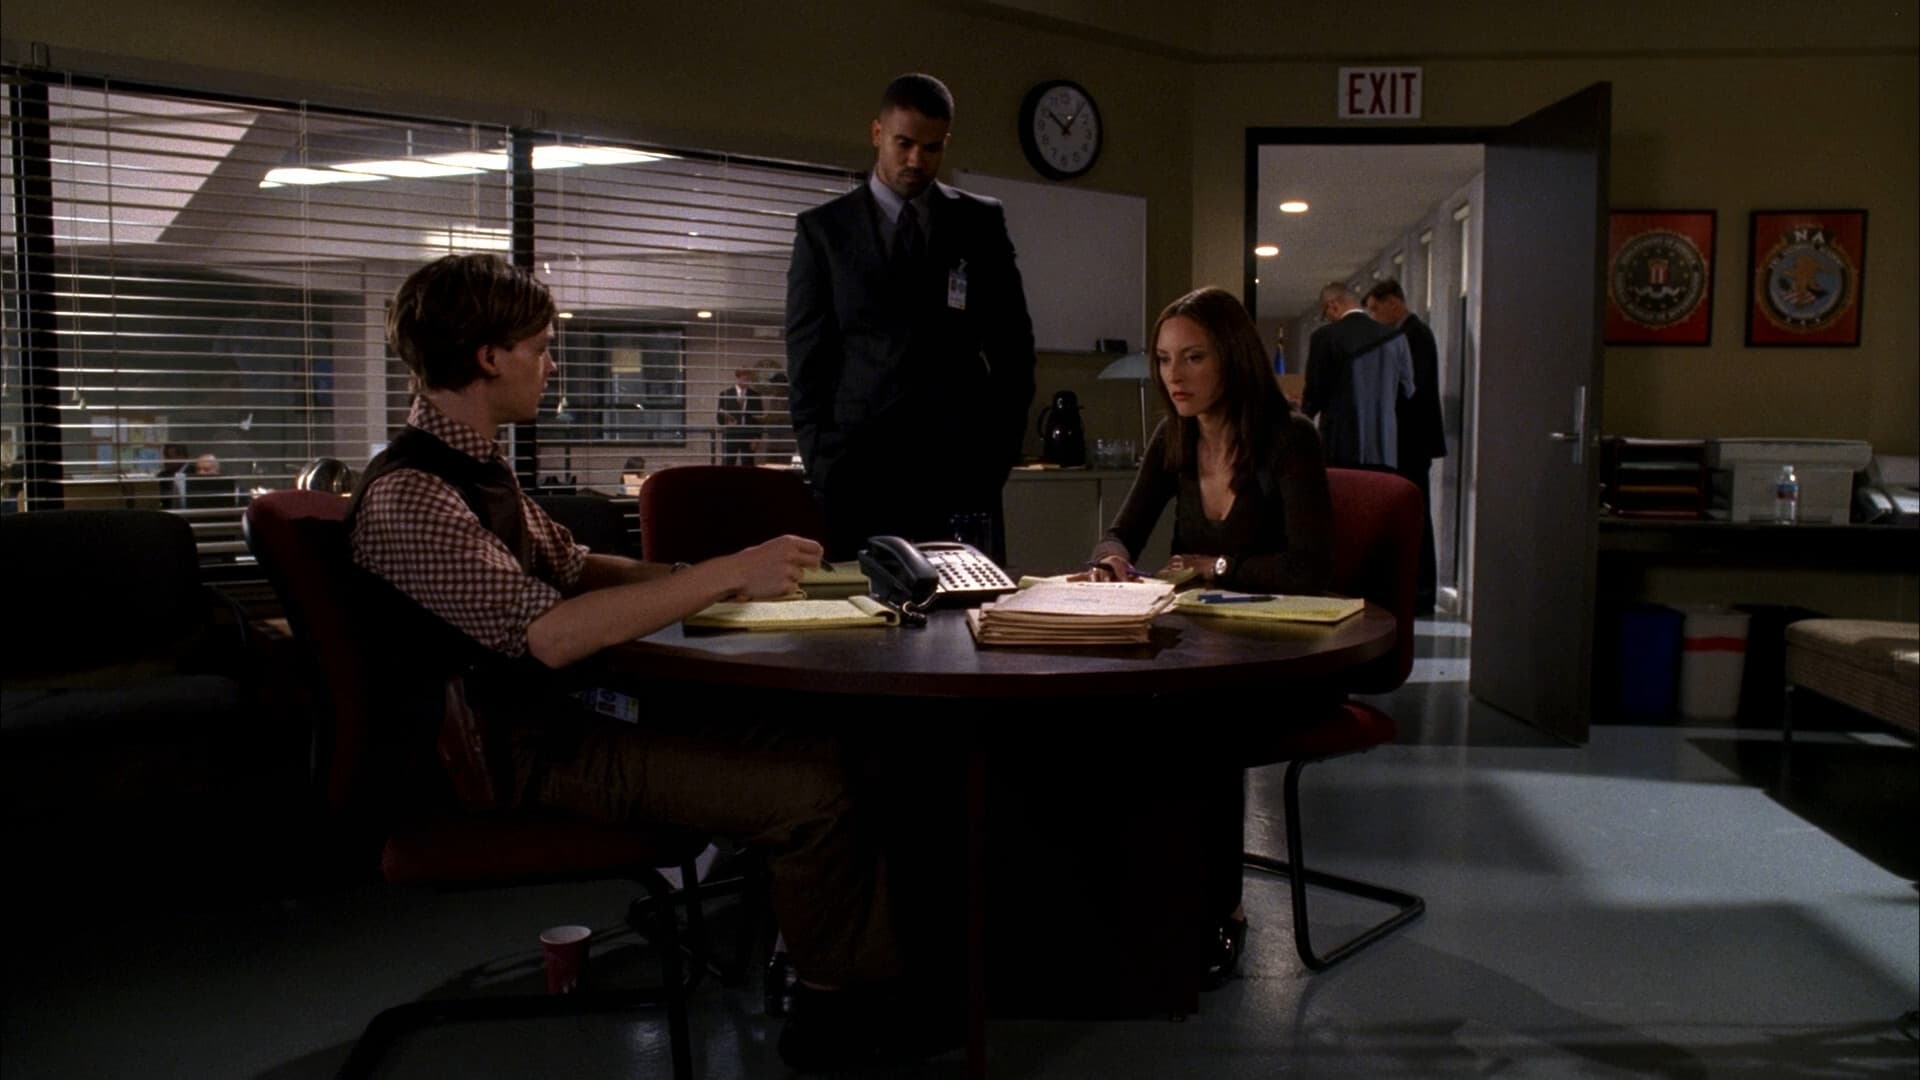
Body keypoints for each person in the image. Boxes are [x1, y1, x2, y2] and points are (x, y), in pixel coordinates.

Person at [352, 253, 905, 1072]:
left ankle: (850, 964)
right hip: (518, 750)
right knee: (813, 795)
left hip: (561, 719)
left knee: (834, 744)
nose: (552, 364)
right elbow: (549, 635)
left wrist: (711, 579)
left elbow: (574, 566)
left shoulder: (474, 465)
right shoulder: (414, 495)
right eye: (541, 347)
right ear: (489, 357)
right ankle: (832, 1020)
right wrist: (721, 577)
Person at [1084, 286, 1335, 987]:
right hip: (1201, 649)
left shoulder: (1289, 438)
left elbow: (1312, 571)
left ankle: (1224, 910)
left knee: (1200, 725)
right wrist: (1110, 559)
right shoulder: (1175, 437)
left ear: (1233, 356)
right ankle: (1136, 891)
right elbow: (1120, 531)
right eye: (1165, 359)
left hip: (1285, 659)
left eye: (1193, 357)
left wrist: (1217, 566)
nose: (1175, 375)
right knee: (1108, 711)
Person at [786, 72, 1036, 562]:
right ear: (877, 133)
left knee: (969, 604)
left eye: (932, 147)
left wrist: (998, 456)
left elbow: (1014, 348)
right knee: (862, 606)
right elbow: (807, 362)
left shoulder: (979, 222)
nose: (917, 160)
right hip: (858, 476)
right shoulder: (824, 231)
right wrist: (823, 463)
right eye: (904, 144)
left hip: (962, 473)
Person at [1365, 278, 1445, 614]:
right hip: (1408, 440)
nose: (1373, 317)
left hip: (1411, 441)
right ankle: (1413, 588)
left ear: (1393, 302)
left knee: (1417, 515)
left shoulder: (1414, 336)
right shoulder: (1409, 335)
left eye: (1375, 309)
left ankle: (1422, 591)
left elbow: (1411, 390)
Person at [1302, 281, 1413, 470]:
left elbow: (1315, 390)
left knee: (1343, 489)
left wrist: (1305, 417)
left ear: (1333, 306)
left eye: (1326, 314)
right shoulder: (1396, 337)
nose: (1328, 319)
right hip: (1384, 446)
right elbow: (1407, 389)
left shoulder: (1324, 337)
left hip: (1339, 444)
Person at [715, 367, 763, 466]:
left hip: (748, 436)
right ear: (738, 377)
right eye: (744, 378)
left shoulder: (755, 396)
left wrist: (757, 438)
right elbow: (719, 418)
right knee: (728, 464)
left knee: (748, 464)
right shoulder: (725, 394)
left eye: (748, 379)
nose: (747, 381)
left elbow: (759, 420)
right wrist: (727, 423)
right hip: (731, 436)